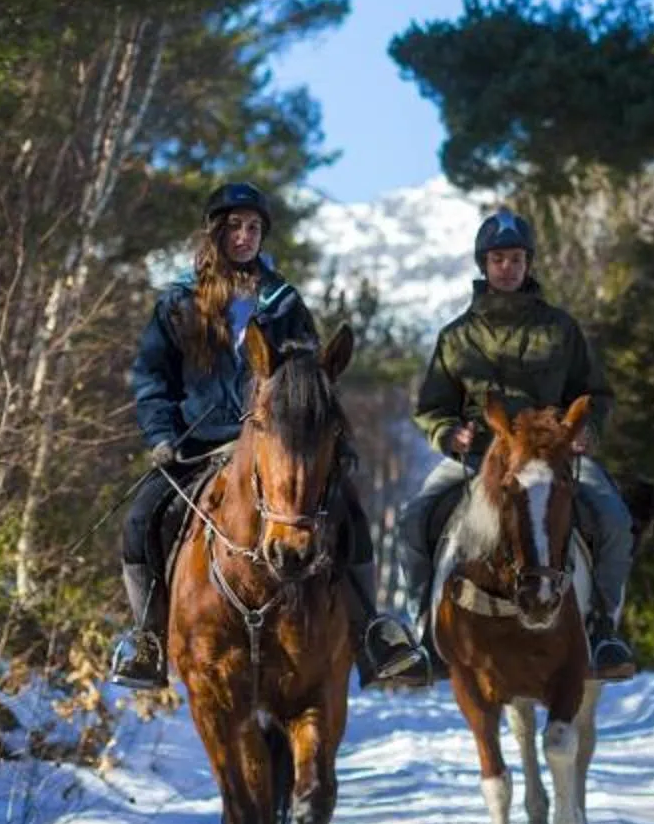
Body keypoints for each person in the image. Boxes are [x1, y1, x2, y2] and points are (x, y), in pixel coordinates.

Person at [117, 180, 424, 687]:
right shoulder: (177, 301)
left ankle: (371, 633)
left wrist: (327, 441)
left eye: (254, 228)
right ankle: (149, 640)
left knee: (349, 514)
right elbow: (152, 376)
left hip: (275, 449)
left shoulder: (283, 303)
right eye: (235, 227)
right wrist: (160, 434)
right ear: (215, 232)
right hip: (197, 446)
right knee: (140, 518)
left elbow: (310, 379)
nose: (245, 236)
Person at [385, 209, 639, 682]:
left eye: (517, 258)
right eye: (499, 259)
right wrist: (447, 432)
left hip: (552, 457)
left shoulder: (561, 329)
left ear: (528, 264)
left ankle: (603, 631)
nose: (508, 267)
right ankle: (422, 638)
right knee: (413, 520)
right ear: (484, 264)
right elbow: (432, 406)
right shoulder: (455, 337)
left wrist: (588, 431)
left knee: (614, 519)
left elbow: (597, 393)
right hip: (480, 457)